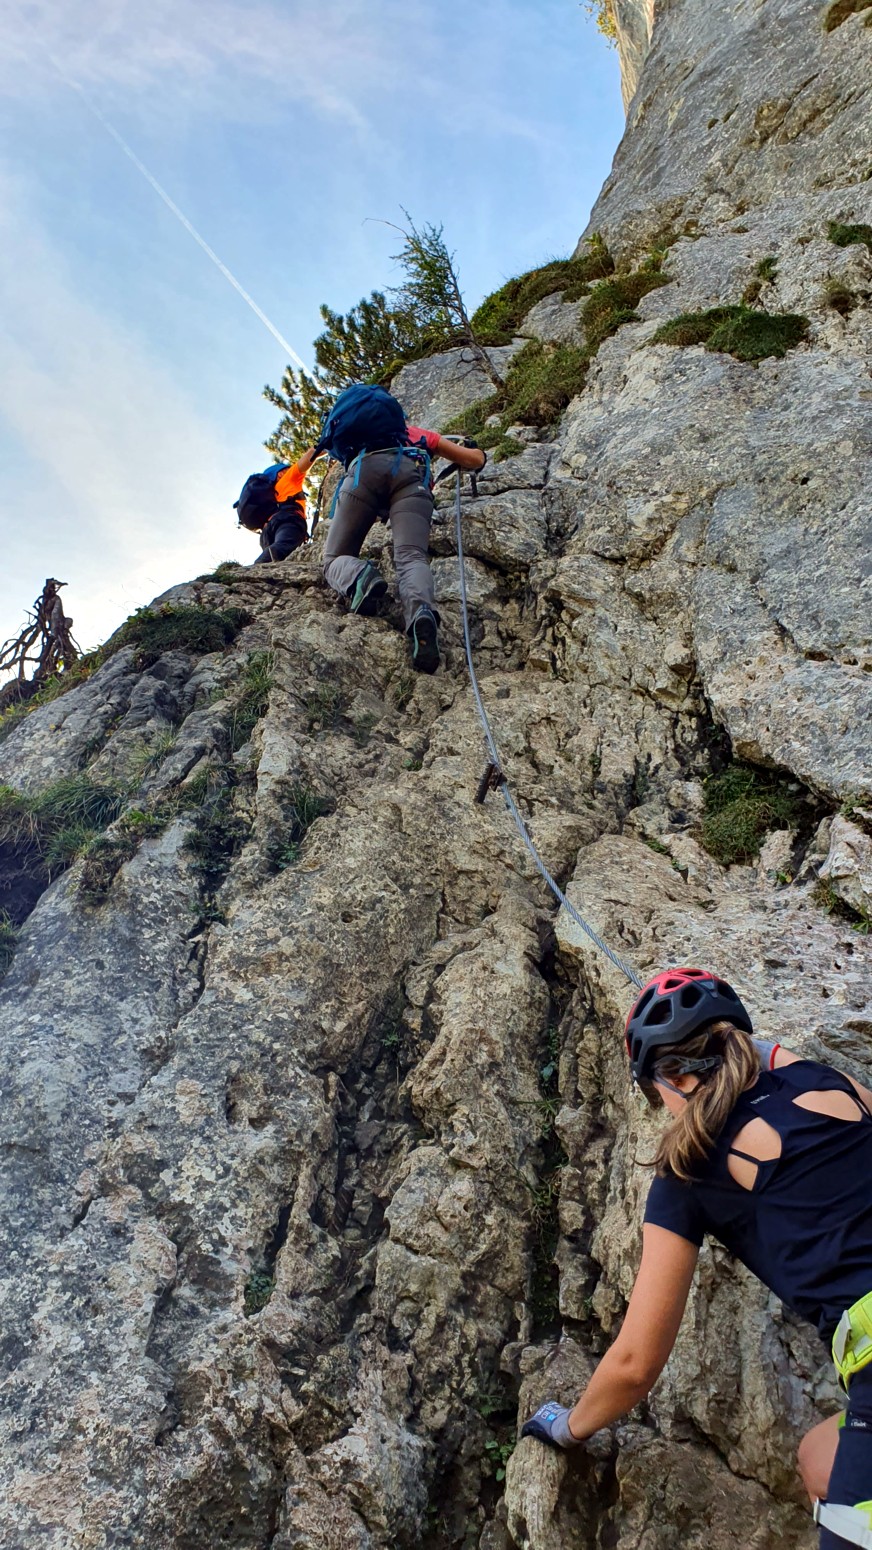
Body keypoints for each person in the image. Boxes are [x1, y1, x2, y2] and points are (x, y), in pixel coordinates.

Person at [521, 967, 872, 1550]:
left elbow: (635, 1363)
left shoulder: (689, 1170)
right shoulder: (827, 1082)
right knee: (819, 1459)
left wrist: (568, 1427)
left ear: (673, 1080)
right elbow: (771, 1059)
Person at [321, 415, 485, 675]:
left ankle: (360, 576)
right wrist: (478, 452)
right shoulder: (415, 433)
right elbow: (473, 460)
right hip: (411, 478)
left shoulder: (360, 439)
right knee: (411, 556)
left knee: (333, 559)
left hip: (363, 474)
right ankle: (421, 613)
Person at [234, 448, 319, 564]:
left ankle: (261, 568)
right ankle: (256, 569)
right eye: (287, 468)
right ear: (280, 473)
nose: (290, 469)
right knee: (283, 548)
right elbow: (312, 453)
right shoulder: (287, 479)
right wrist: (329, 444)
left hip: (267, 534)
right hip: (287, 521)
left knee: (278, 558)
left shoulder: (272, 494)